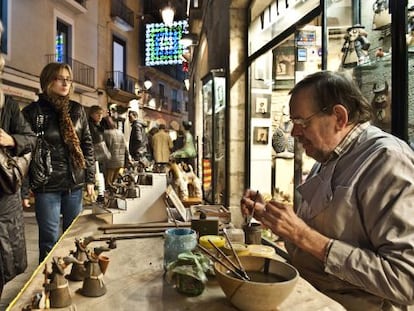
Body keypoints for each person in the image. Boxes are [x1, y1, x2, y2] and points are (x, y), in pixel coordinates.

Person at [241, 71, 414, 310]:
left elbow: (406, 281)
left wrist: (303, 235)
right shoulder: (326, 161)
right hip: (316, 299)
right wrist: (271, 218)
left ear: (339, 117)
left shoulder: (387, 159)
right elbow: (310, 245)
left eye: (302, 123)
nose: (293, 133)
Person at [22, 62, 95, 263]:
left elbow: (87, 145)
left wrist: (89, 179)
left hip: (75, 183)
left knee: (74, 236)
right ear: (47, 81)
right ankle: (50, 282)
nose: (65, 83)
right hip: (47, 185)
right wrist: (25, 187)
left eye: (68, 79)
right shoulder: (33, 112)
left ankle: (73, 272)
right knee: (50, 239)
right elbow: (26, 151)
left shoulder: (77, 109)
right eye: (59, 78)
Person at [0, 22, 37, 297]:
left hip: (3, 194)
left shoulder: (9, 105)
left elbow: (30, 139)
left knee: (1, 261)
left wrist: (12, 140)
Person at [101, 115, 129, 187]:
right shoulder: (120, 133)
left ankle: (109, 196)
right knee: (113, 181)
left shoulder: (106, 133)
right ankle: (113, 195)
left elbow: (104, 148)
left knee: (108, 183)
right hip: (120, 161)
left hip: (110, 162)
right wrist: (127, 159)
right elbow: (125, 147)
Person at [88, 105, 107, 171]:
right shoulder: (89, 126)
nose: (100, 116)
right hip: (93, 157)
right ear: (91, 114)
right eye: (97, 113)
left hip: (100, 157)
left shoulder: (99, 126)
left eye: (101, 113)